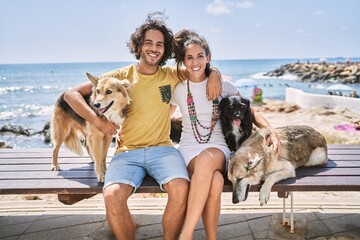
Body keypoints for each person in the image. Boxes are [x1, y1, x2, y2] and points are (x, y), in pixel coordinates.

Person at [63, 12, 222, 240]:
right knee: (112, 195)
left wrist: (214, 72)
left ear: (164, 50)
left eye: (159, 44)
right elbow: (71, 95)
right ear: (139, 46)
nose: (154, 48)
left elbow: (200, 66)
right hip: (128, 153)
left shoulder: (171, 74)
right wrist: (98, 121)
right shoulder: (119, 77)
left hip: (164, 149)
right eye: (148, 42)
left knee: (180, 189)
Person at [170, 29, 280, 239]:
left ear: (208, 58)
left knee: (206, 162)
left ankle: (186, 234)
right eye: (189, 57)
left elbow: (251, 110)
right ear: (184, 61)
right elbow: (160, 118)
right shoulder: (178, 89)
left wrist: (270, 132)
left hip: (218, 148)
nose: (195, 62)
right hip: (188, 149)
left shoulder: (223, 85)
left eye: (200, 56)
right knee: (215, 182)